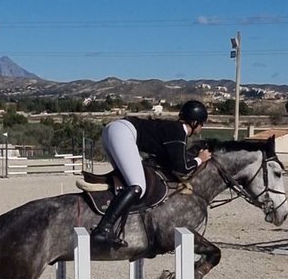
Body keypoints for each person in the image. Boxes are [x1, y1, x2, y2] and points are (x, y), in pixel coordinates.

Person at [91, 100, 213, 248]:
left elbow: (168, 161)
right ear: (194, 122)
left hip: (114, 130)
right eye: (201, 123)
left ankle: (118, 224)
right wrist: (200, 159)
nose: (202, 127)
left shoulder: (173, 129)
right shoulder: (178, 132)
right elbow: (182, 168)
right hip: (122, 132)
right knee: (137, 186)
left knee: (128, 182)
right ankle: (102, 230)